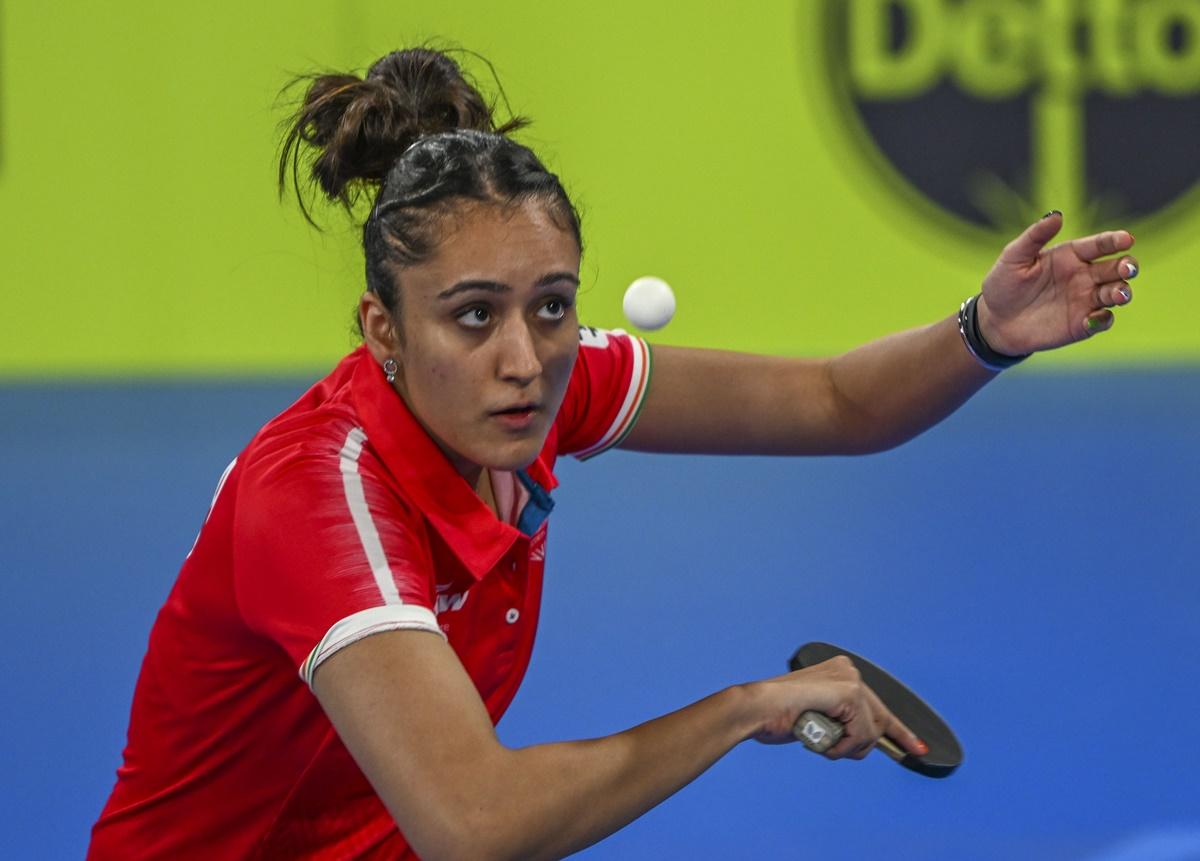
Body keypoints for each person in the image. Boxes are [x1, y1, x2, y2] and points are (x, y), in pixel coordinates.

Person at [89, 47, 1139, 860]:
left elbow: (834, 403)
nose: (523, 359)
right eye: (471, 316)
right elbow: (474, 824)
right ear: (383, 332)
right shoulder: (322, 498)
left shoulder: (544, 386)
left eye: (550, 307)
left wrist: (987, 333)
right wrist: (745, 708)